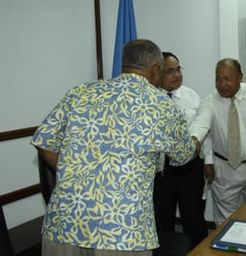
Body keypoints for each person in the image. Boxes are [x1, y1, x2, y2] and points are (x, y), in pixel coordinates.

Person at [31, 39, 200, 256]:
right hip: (122, 232)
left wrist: (73, 170)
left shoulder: (80, 92)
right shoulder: (161, 104)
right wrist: (195, 142)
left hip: (65, 224)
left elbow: (43, 141)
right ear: (155, 69)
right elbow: (183, 155)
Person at [190, 58, 246, 225]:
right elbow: (200, 125)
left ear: (240, 77)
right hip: (225, 170)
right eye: (218, 79)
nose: (222, 84)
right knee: (226, 222)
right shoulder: (210, 102)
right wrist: (192, 141)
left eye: (227, 78)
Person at [153, 52, 208, 249]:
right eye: (170, 71)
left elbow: (204, 128)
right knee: (163, 219)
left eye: (178, 69)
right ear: (158, 73)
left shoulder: (191, 95)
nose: (177, 75)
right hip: (161, 170)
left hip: (189, 168)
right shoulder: (151, 100)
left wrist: (208, 160)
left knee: (193, 218)